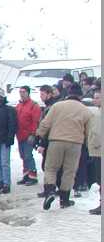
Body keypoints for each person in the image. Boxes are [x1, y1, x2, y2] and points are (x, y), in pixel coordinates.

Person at [36, 82, 93, 210]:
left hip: (56, 141)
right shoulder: (86, 111)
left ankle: (50, 190)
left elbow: (45, 123)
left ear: (68, 94)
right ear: (80, 96)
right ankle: (64, 199)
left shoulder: (57, 106)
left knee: (51, 168)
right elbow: (89, 131)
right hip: (75, 143)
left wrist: (39, 135)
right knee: (69, 171)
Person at [14, 86, 41, 185]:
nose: (21, 94)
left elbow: (36, 121)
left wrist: (33, 134)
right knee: (23, 155)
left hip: (29, 135)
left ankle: (32, 176)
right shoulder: (19, 105)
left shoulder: (34, 106)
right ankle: (26, 175)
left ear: (28, 93)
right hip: (20, 135)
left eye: (24, 92)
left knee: (28, 155)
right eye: (20, 92)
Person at [86, 89, 101, 214]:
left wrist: (93, 145)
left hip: (99, 151)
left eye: (97, 98)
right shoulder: (97, 112)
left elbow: (96, 133)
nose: (94, 100)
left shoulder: (98, 115)